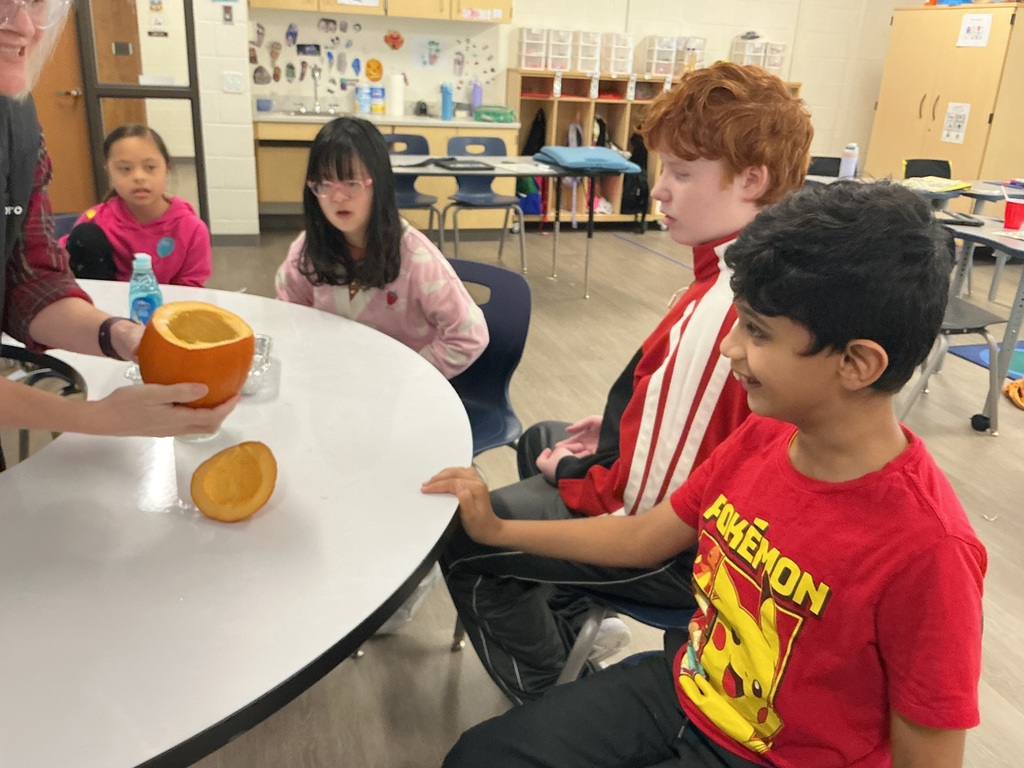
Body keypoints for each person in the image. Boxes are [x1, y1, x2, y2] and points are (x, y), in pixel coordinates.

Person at [425, 180, 986, 768]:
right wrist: (496, 530)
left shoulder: (929, 550)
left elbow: (931, 755)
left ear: (856, 363)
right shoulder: (763, 437)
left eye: (758, 332)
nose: (731, 349)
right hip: (683, 692)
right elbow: (643, 537)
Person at [439, 62, 813, 704]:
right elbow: (684, 410)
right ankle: (560, 617)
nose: (658, 189)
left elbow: (642, 507)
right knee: (541, 437)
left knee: (464, 542)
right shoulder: (743, 267)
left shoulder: (732, 301)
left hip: (680, 550)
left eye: (681, 173)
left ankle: (556, 696)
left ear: (753, 180)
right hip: (694, 502)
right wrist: (617, 430)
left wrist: (571, 475)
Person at [0, 0, 236, 468]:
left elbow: (28, 281)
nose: (24, 24)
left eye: (34, 3)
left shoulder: (18, 122)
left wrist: (122, 335)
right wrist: (97, 417)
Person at [275, 116, 488, 380]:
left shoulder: (415, 257)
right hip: (335, 386)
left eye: (352, 183)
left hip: (398, 396)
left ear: (379, 183)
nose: (338, 197)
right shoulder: (307, 251)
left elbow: (470, 334)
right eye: (325, 184)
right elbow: (287, 318)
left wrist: (411, 376)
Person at [59, 124, 212, 286]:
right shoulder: (94, 220)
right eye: (125, 169)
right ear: (109, 171)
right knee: (85, 236)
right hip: (103, 309)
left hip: (166, 308)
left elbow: (191, 289)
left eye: (150, 167)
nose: (138, 177)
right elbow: (63, 267)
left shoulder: (192, 230)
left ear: (166, 168)